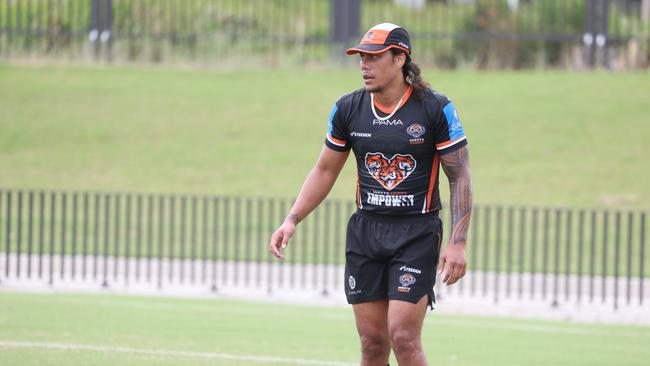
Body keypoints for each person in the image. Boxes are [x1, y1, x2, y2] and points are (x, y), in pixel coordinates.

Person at [269, 23, 472, 366]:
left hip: (417, 233)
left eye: (374, 57)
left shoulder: (435, 108)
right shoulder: (348, 109)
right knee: (373, 344)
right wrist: (291, 219)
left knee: (404, 338)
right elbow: (324, 170)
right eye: (362, 57)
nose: (364, 65)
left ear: (399, 59)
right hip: (366, 233)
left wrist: (458, 241)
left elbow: (460, 174)